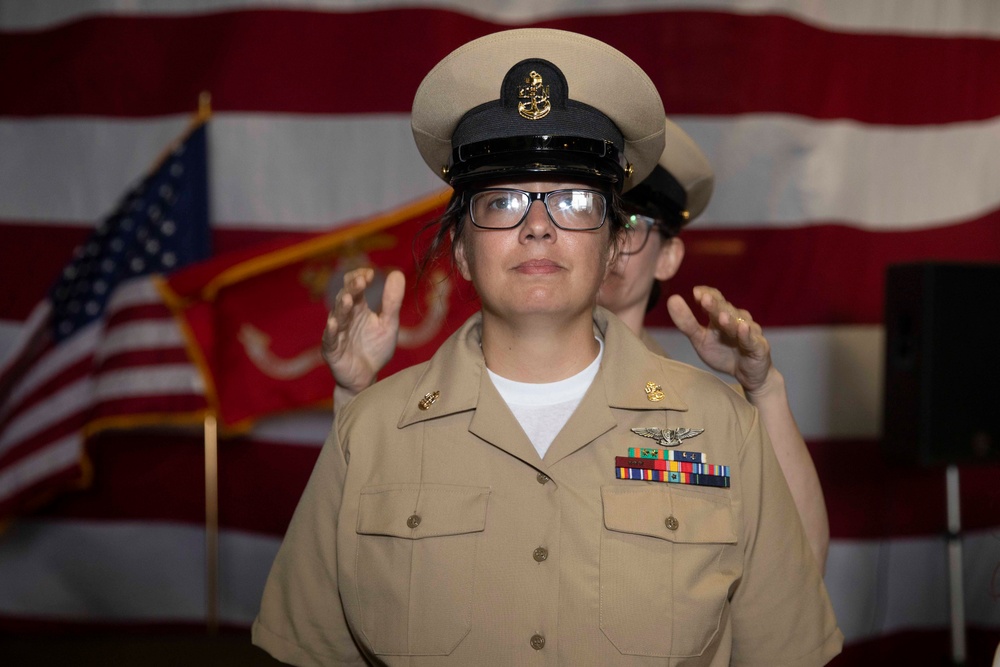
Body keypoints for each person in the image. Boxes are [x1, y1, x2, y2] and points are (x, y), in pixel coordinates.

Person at [254, 28, 842, 665]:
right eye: (503, 200)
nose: (538, 225)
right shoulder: (367, 433)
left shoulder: (722, 429)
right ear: (461, 251)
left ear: (615, 245)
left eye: (574, 199)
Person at [322, 120, 830, 572]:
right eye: (509, 202)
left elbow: (796, 568)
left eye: (605, 215)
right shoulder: (438, 391)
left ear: (664, 254)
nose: (551, 228)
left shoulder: (701, 414)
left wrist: (763, 390)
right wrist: (355, 394)